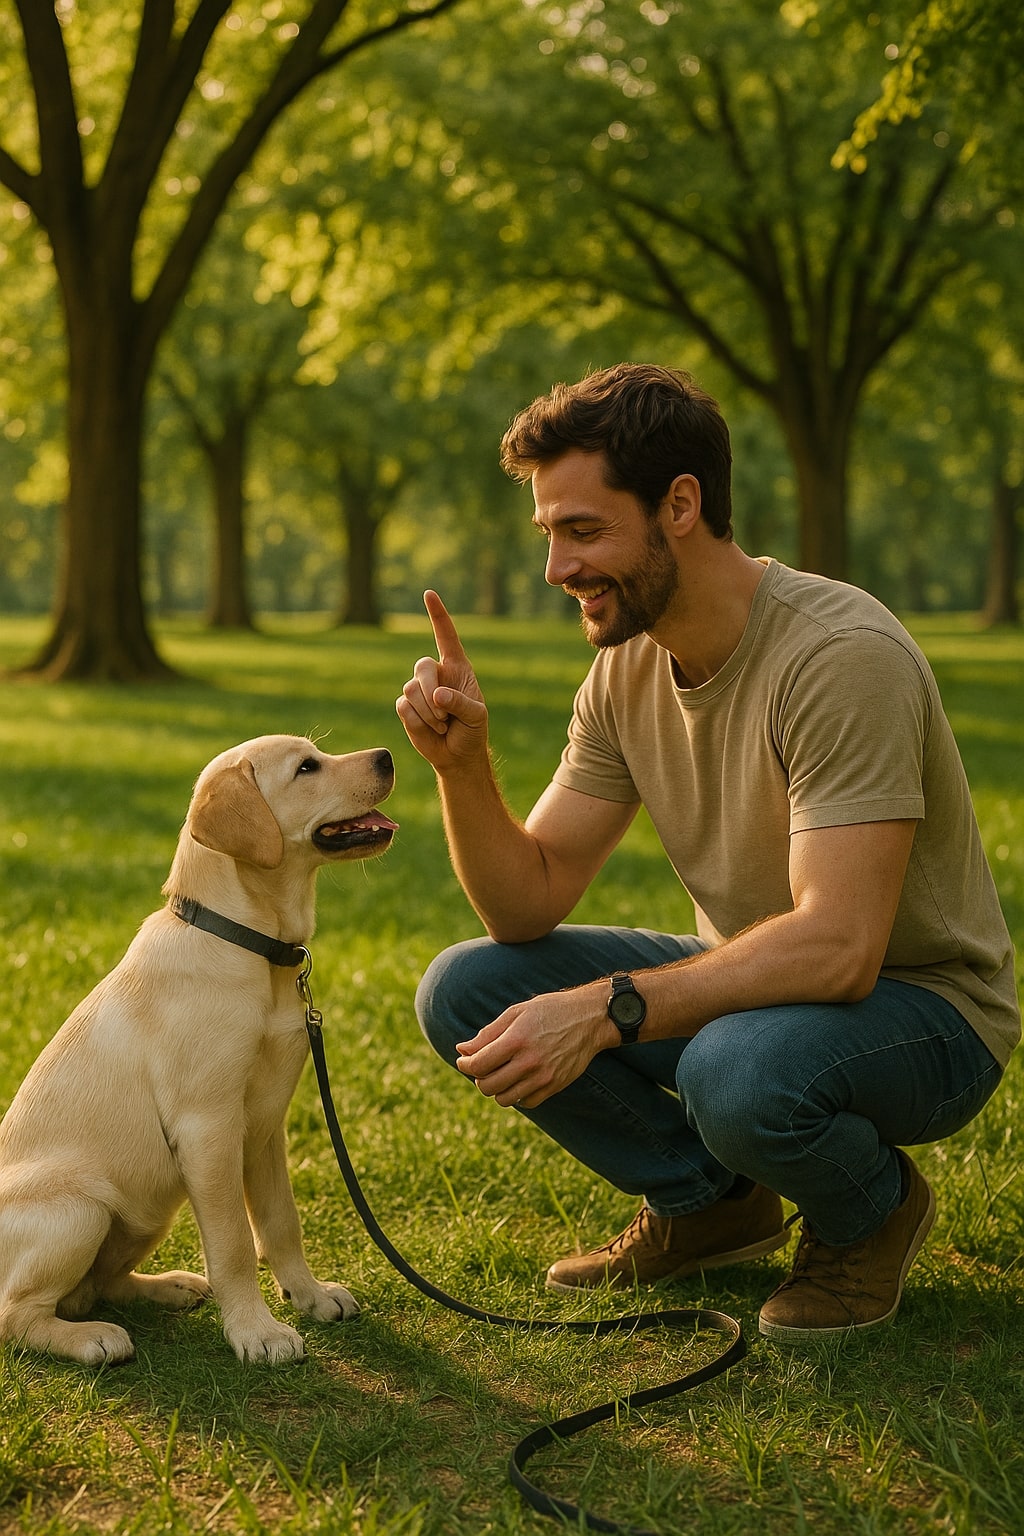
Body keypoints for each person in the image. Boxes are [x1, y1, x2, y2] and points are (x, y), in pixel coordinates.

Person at [395, 363, 1019, 1340]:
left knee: (733, 1070)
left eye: (583, 531)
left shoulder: (837, 656)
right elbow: (527, 906)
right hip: (764, 992)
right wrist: (462, 769)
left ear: (679, 504)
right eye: (549, 534)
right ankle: (712, 1203)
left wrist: (605, 1009)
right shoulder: (623, 673)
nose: (557, 568)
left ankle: (871, 1211)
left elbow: (839, 949)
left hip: (926, 1011)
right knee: (467, 987)